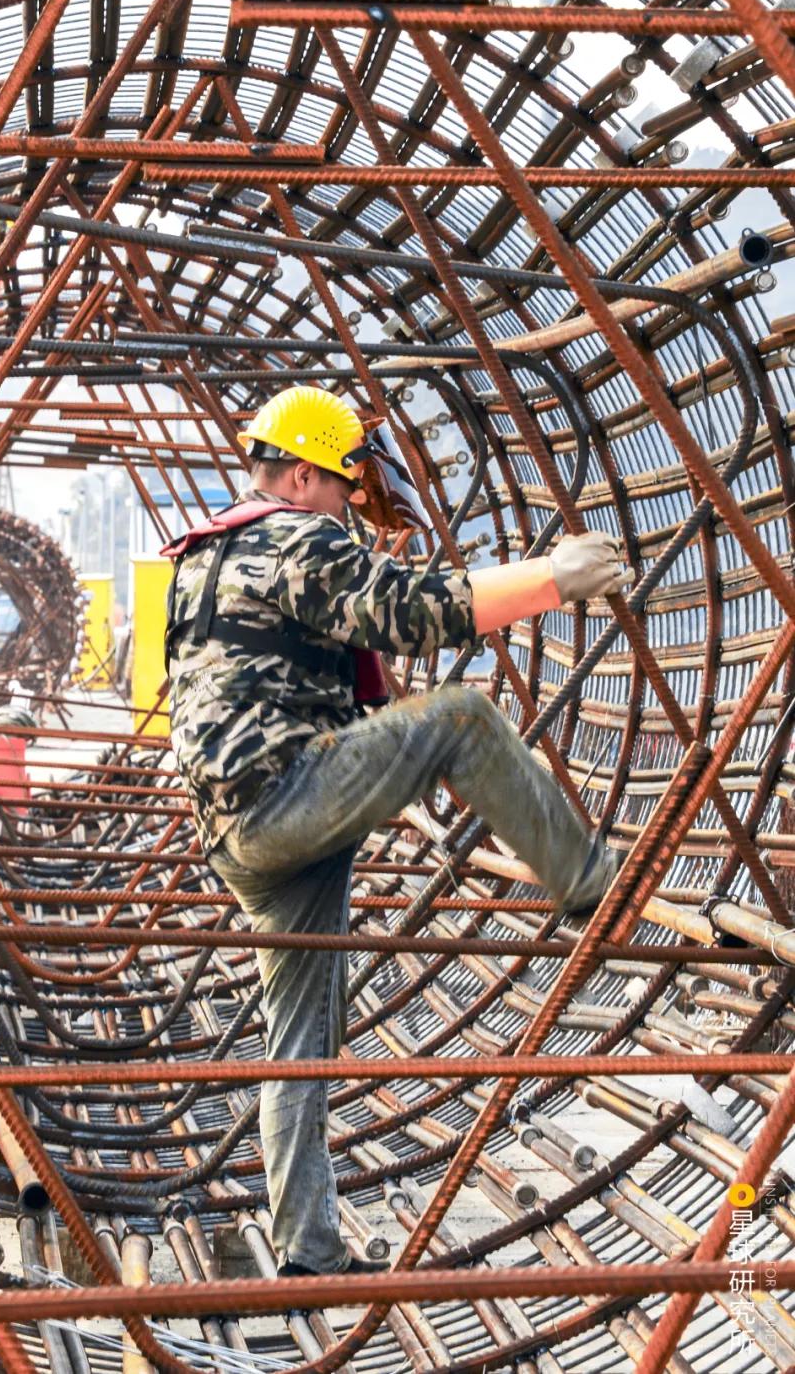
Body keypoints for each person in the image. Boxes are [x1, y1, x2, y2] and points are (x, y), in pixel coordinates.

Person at [162, 385, 632, 1279]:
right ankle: (590, 884)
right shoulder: (294, 534)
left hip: (238, 831)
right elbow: (416, 613)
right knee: (459, 719)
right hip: (284, 795)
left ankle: (308, 1250)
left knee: (299, 1044)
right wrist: (550, 578)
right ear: (301, 474)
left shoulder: (209, 554)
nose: (351, 501)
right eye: (344, 484)